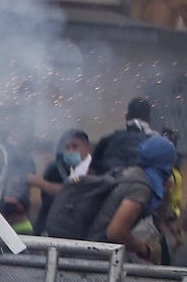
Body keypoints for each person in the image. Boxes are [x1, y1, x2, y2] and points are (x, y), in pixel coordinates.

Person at [89, 134, 176, 263]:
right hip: (97, 260)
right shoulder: (141, 185)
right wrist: (145, 250)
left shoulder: (132, 173)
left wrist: (166, 190)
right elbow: (115, 232)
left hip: (97, 256)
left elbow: (158, 215)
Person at [29, 130, 91, 235]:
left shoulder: (91, 170)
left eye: (75, 146)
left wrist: (39, 182)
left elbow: (71, 192)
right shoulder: (72, 171)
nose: (70, 151)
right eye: (67, 148)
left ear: (87, 148)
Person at [91, 97, 156, 174]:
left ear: (126, 116)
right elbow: (168, 181)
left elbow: (91, 173)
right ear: (149, 120)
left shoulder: (107, 140)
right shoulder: (159, 145)